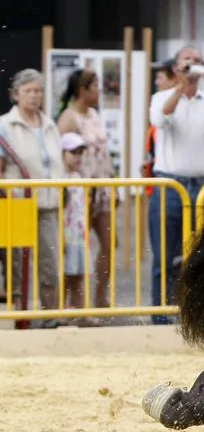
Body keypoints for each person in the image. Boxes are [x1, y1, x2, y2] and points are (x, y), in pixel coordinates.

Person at [148, 46, 204, 323]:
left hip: (203, 185)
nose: (193, 65)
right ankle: (160, 315)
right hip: (169, 185)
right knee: (164, 255)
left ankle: (201, 311)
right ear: (176, 68)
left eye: (198, 61)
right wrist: (180, 87)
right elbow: (160, 119)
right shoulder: (162, 96)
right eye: (188, 61)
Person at [0, 70, 65, 324]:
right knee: (17, 263)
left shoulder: (49, 124)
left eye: (38, 90)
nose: (34, 95)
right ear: (16, 95)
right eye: (28, 90)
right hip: (18, 203)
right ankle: (20, 316)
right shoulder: (5, 124)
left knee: (50, 262)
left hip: (48, 202)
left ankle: (51, 315)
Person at [56, 68, 114, 309]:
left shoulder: (94, 115)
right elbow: (62, 151)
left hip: (102, 187)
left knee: (109, 243)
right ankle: (73, 302)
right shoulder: (69, 117)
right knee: (76, 247)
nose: (99, 91)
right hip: (80, 190)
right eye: (95, 86)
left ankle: (100, 298)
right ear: (83, 90)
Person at [58, 132, 90, 314]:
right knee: (64, 274)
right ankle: (61, 309)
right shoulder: (60, 178)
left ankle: (80, 311)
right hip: (66, 234)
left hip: (80, 235)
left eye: (80, 153)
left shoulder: (79, 177)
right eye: (73, 153)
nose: (77, 157)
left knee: (79, 275)